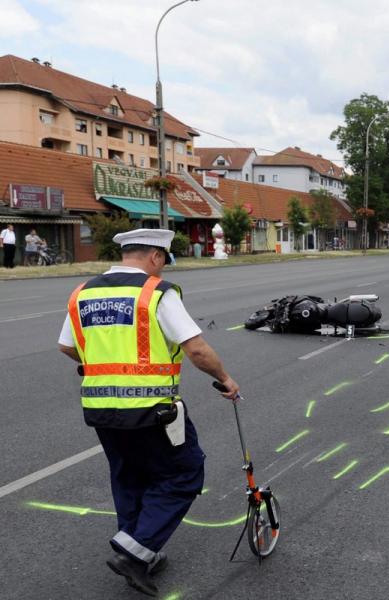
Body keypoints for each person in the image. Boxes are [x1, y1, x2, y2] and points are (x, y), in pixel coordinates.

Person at [56, 229, 240, 596]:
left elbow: (67, 346)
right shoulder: (156, 293)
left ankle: (141, 550)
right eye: (164, 260)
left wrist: (103, 365)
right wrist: (225, 378)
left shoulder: (83, 293)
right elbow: (196, 349)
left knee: (128, 477)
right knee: (185, 474)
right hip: (151, 408)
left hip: (100, 407)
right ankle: (134, 554)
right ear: (156, 257)